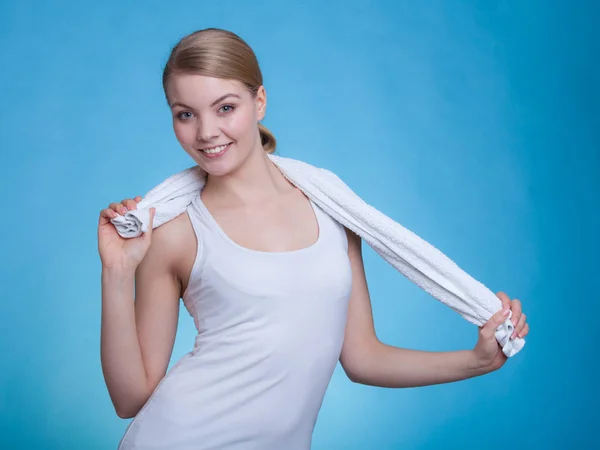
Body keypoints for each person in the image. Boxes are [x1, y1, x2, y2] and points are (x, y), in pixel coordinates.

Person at [97, 28, 530, 449]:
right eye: (185, 114)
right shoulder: (174, 231)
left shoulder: (330, 204)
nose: (206, 131)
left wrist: (475, 361)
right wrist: (116, 272)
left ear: (259, 101)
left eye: (225, 107)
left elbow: (362, 358)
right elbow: (131, 399)